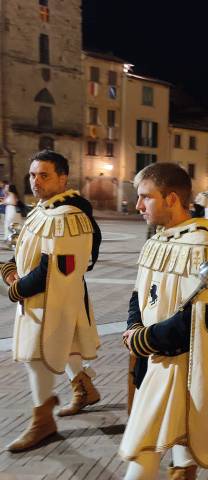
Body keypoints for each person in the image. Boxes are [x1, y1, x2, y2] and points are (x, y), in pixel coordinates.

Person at [120, 162, 208, 479]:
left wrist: (145, 339)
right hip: (150, 359)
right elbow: (137, 295)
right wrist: (133, 327)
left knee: (141, 449)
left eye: (146, 197)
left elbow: (202, 321)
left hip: (177, 365)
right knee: (176, 445)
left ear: (171, 199)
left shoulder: (204, 245)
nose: (139, 205)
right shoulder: (157, 240)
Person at [1, 150, 101, 452]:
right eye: (32, 174)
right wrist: (9, 267)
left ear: (62, 177)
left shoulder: (68, 215)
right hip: (43, 299)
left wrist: (16, 289)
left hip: (53, 298)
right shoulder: (44, 209)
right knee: (62, 346)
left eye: (44, 174)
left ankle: (42, 420)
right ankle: (84, 389)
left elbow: (53, 269)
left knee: (38, 357)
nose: (36, 181)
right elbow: (28, 253)